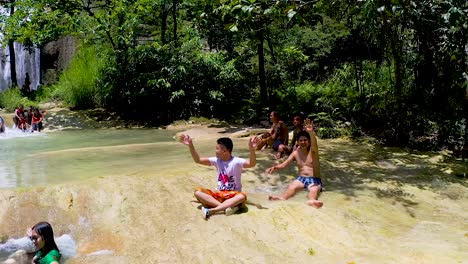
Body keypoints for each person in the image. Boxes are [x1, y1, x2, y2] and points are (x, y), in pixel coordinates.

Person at [179, 134, 258, 219]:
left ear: (225, 151)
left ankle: (213, 210)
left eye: (217, 149)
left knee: (242, 196)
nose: (215, 151)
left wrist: (252, 150)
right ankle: (226, 208)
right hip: (219, 194)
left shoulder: (237, 161)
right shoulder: (216, 161)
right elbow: (198, 160)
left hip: (233, 195)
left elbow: (252, 164)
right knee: (197, 192)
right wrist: (190, 145)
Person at [265, 118, 323, 208]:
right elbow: (285, 163)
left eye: (305, 140)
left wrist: (311, 133)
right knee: (292, 187)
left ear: (309, 141)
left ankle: (312, 200)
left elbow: (315, 144)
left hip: (314, 179)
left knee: (314, 189)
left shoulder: (313, 152)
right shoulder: (296, 152)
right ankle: (283, 198)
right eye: (301, 140)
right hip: (301, 179)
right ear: (298, 142)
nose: (303, 142)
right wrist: (275, 167)